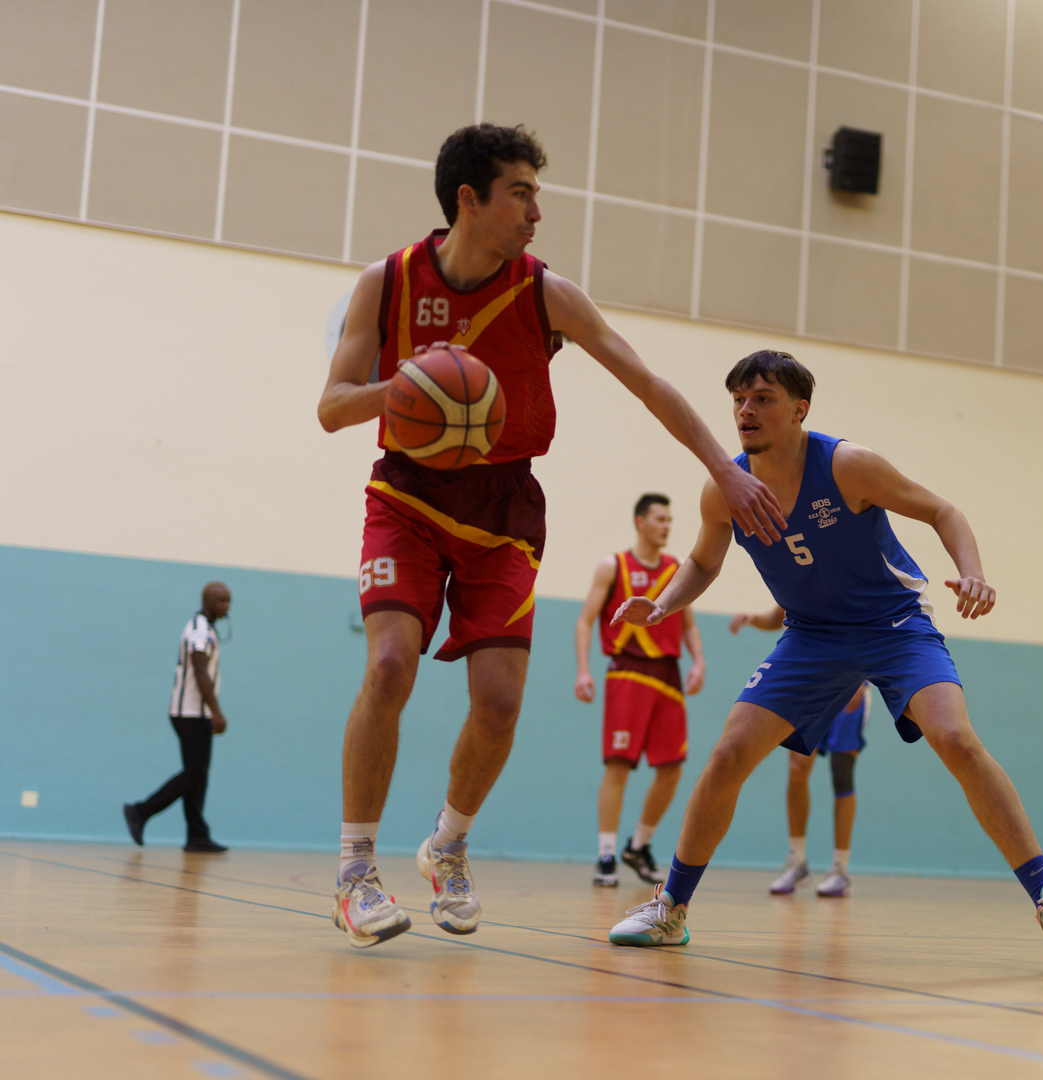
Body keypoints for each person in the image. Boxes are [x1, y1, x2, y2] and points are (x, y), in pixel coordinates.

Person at [315, 124, 784, 949]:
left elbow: (647, 381)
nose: (538, 212)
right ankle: (355, 872)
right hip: (409, 493)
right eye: (522, 194)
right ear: (470, 199)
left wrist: (727, 467)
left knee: (499, 703)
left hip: (505, 508)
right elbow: (331, 407)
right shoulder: (387, 282)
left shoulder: (546, 294)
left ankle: (447, 846)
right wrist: (411, 385)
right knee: (389, 665)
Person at [607, 351, 1043, 963]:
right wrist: (662, 605)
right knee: (729, 753)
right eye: (738, 399)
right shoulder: (725, 489)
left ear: (800, 409)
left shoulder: (847, 466)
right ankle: (670, 909)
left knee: (956, 739)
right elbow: (703, 561)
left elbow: (942, 511)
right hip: (811, 636)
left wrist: (973, 572)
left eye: (763, 398)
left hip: (893, 625)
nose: (745, 411)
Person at [574, 493, 705, 887]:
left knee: (672, 768)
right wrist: (583, 670)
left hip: (668, 675)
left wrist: (699, 660)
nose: (667, 526)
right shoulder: (612, 566)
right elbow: (584, 621)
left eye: (670, 519)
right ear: (641, 522)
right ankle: (606, 854)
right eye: (660, 519)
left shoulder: (676, 569)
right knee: (618, 764)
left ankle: (639, 845)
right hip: (627, 672)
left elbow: (688, 623)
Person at [732, 604, 863, 897]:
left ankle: (840, 868)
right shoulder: (800, 577)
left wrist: (863, 676)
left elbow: (871, 619)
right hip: (809, 680)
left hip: (850, 674)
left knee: (842, 771)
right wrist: (753, 618)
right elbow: (777, 615)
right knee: (797, 768)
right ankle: (797, 860)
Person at [123, 582, 233, 854]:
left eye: (229, 601)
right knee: (195, 772)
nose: (227, 606)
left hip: (196, 713)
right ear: (207, 600)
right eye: (221, 600)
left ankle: (197, 836)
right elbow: (200, 672)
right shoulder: (198, 630)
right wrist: (216, 711)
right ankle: (140, 811)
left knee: (198, 775)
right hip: (190, 713)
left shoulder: (207, 628)